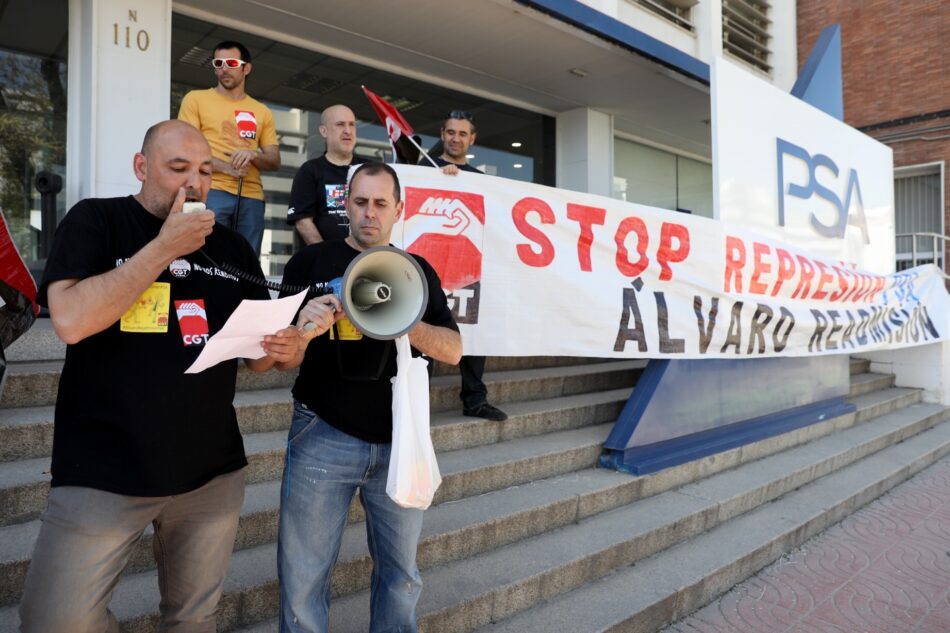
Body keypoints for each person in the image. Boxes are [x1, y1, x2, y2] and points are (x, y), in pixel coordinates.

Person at [18, 120, 304, 633]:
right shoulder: (97, 221)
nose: (193, 183)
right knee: (54, 621)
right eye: (178, 169)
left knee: (193, 618)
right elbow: (70, 321)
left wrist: (286, 346)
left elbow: (258, 357)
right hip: (105, 470)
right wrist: (163, 248)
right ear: (141, 167)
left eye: (204, 171)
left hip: (210, 473)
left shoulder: (233, 248)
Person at [277, 162, 462, 632]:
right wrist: (302, 330)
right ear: (345, 204)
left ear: (399, 209)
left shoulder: (415, 271)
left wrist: (404, 317)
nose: (369, 213)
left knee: (401, 578)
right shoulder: (309, 264)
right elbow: (276, 357)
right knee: (303, 578)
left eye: (381, 204)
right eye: (360, 202)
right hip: (322, 430)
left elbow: (454, 351)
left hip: (398, 439)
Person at [424, 110, 508, 422]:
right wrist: (435, 178)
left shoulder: (479, 180)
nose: (456, 138)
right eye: (451, 132)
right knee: (427, 333)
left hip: (465, 267)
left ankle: (475, 400)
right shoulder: (421, 170)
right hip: (429, 268)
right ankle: (417, 402)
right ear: (442, 135)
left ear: (471, 139)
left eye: (462, 134)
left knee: (473, 333)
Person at [178, 40, 280, 256]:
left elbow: (274, 160)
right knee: (208, 257)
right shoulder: (196, 99)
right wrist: (227, 168)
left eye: (232, 62)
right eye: (218, 63)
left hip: (252, 196)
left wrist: (253, 155)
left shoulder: (261, 111)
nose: (224, 68)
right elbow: (185, 149)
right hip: (210, 191)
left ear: (246, 68)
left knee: (248, 261)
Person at [286, 104, 361, 245]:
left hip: (365, 260)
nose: (348, 131)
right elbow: (303, 222)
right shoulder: (309, 170)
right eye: (340, 124)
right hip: (324, 261)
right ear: (324, 131)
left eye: (352, 125)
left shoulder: (370, 169)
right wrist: (326, 256)